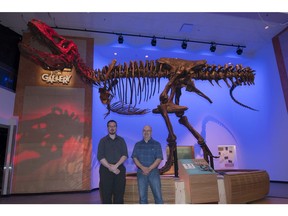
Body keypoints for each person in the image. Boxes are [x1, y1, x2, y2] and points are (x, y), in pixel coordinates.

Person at [97, 120, 128, 204]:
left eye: (114, 126)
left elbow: (125, 155)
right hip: (105, 170)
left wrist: (116, 166)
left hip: (119, 169)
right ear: (107, 128)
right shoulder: (102, 141)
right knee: (106, 195)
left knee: (119, 195)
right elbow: (100, 156)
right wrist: (111, 167)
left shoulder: (121, 140)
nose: (112, 128)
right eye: (110, 126)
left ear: (116, 128)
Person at [131, 125, 164, 204]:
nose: (146, 132)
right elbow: (134, 158)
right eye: (144, 130)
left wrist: (148, 169)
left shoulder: (157, 144)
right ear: (142, 132)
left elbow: (159, 158)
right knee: (142, 198)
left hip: (154, 172)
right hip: (141, 173)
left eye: (148, 130)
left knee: (158, 197)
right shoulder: (137, 144)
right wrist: (143, 168)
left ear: (151, 132)